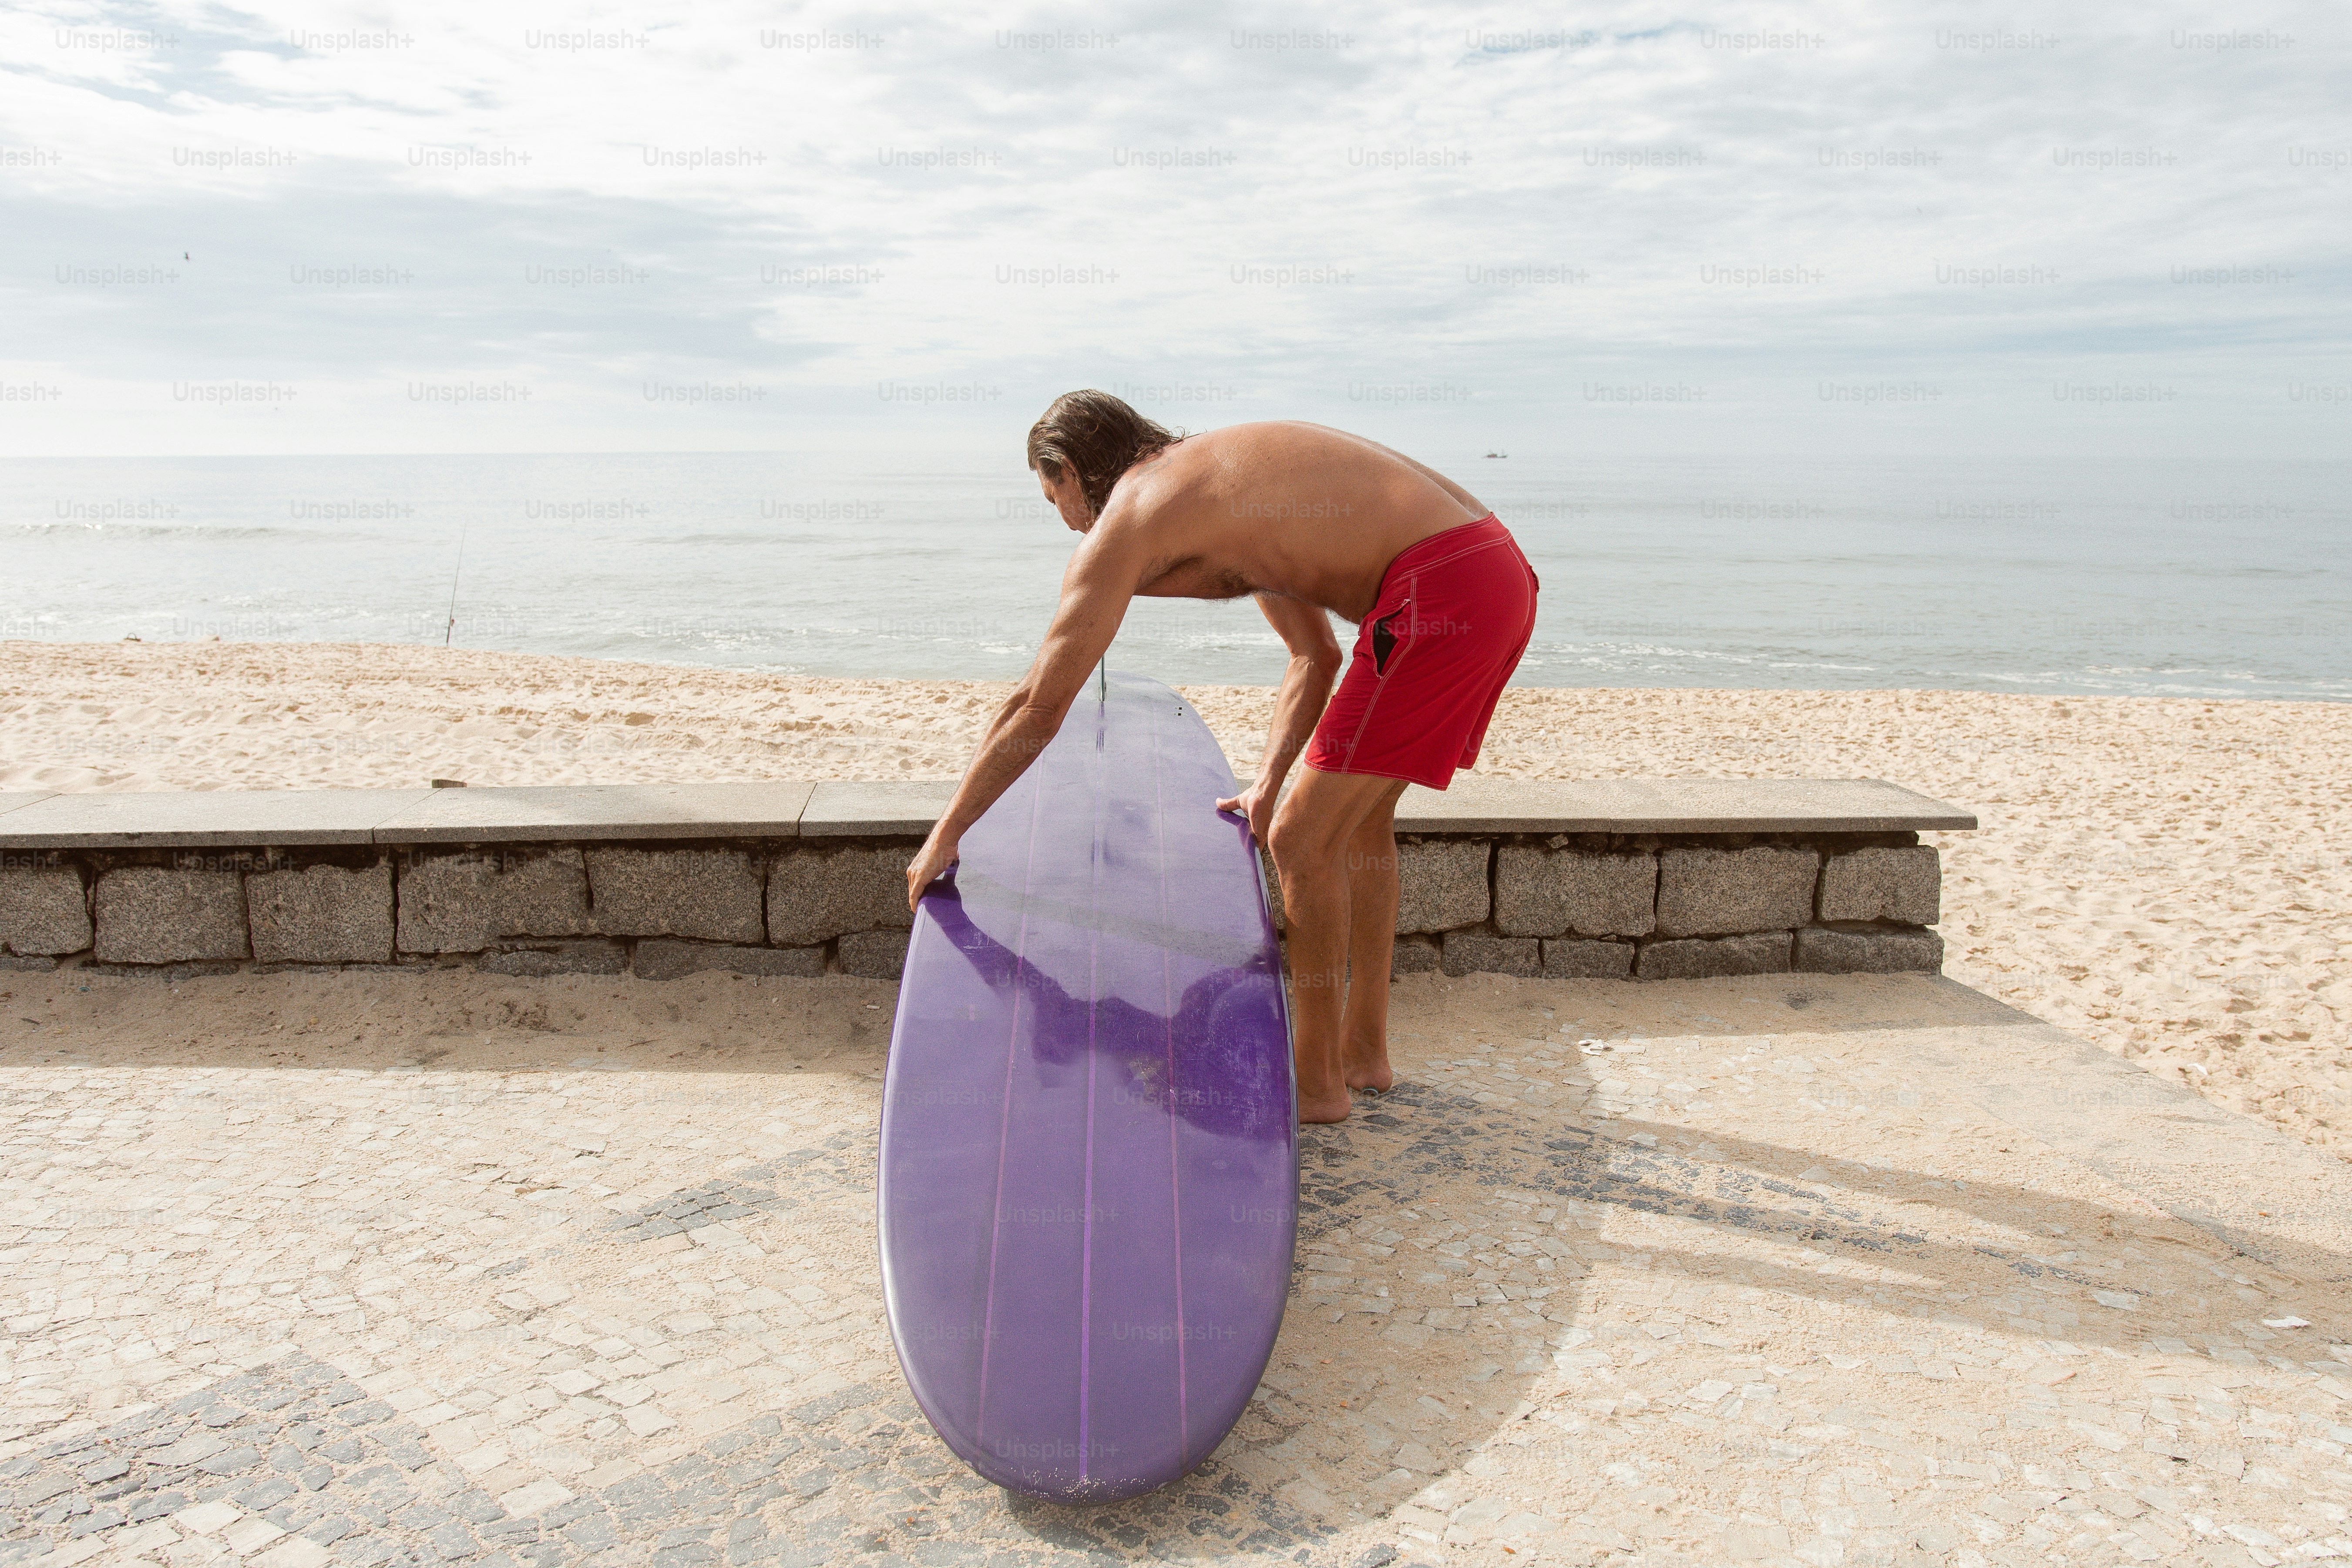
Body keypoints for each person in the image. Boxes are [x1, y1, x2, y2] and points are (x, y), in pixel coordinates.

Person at [903, 390, 1539, 1124]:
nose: (1064, 519)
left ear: (1074, 471)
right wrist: (1269, 780)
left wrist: (948, 832)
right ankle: (1364, 1052)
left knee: (1302, 838)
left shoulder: (1134, 513)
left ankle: (1318, 1087)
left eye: (1055, 497)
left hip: (1441, 590)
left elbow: (1037, 708)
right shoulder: (1224, 491)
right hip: (1493, 570)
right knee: (1355, 826)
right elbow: (1313, 653)